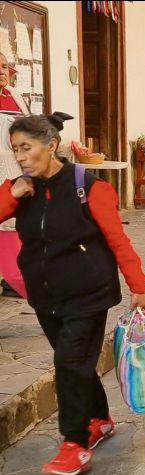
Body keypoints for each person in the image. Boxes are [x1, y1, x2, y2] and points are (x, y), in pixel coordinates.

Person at [0, 113, 145, 475]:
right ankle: (99, 418)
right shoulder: (21, 189)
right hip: (45, 295)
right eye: (15, 149)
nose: (21, 157)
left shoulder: (90, 187)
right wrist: (10, 194)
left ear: (50, 146)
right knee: (75, 362)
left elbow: (117, 240)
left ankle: (75, 443)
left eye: (26, 148)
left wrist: (138, 286)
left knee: (68, 361)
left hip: (89, 293)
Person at [0, 52, 29, 299]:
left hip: (13, 179)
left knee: (15, 262)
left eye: (4, 66)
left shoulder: (15, 97)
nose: (2, 70)